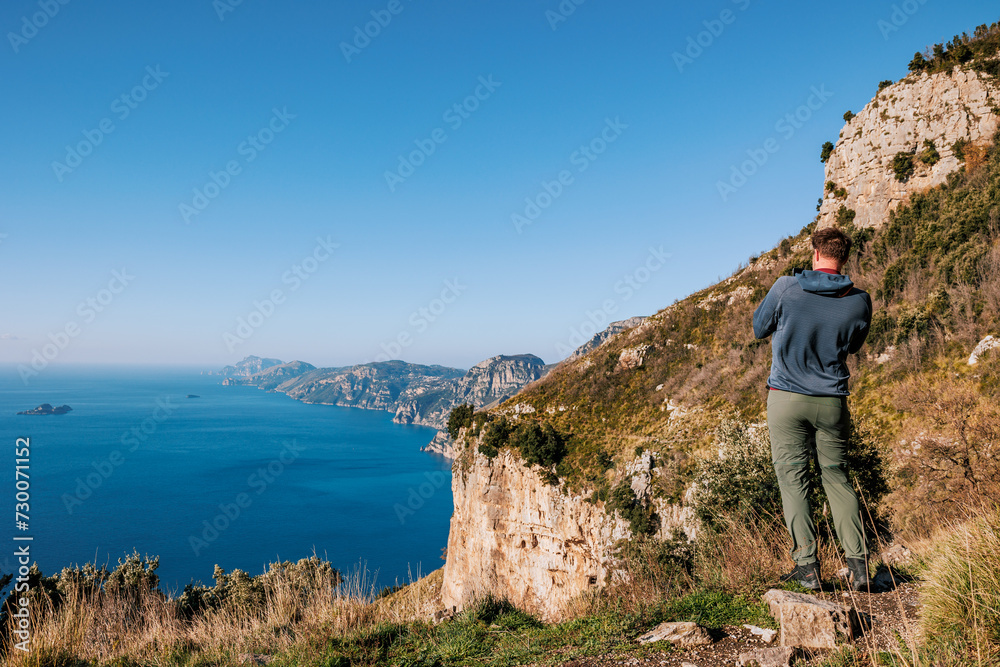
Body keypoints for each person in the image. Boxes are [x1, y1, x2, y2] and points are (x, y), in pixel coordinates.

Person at [752, 227, 873, 591]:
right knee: (836, 478)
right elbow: (853, 346)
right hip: (832, 400)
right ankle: (861, 568)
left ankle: (807, 570)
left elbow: (760, 328)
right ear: (844, 259)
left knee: (794, 482)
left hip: (786, 398)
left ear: (816, 254)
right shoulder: (860, 299)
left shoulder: (787, 287)